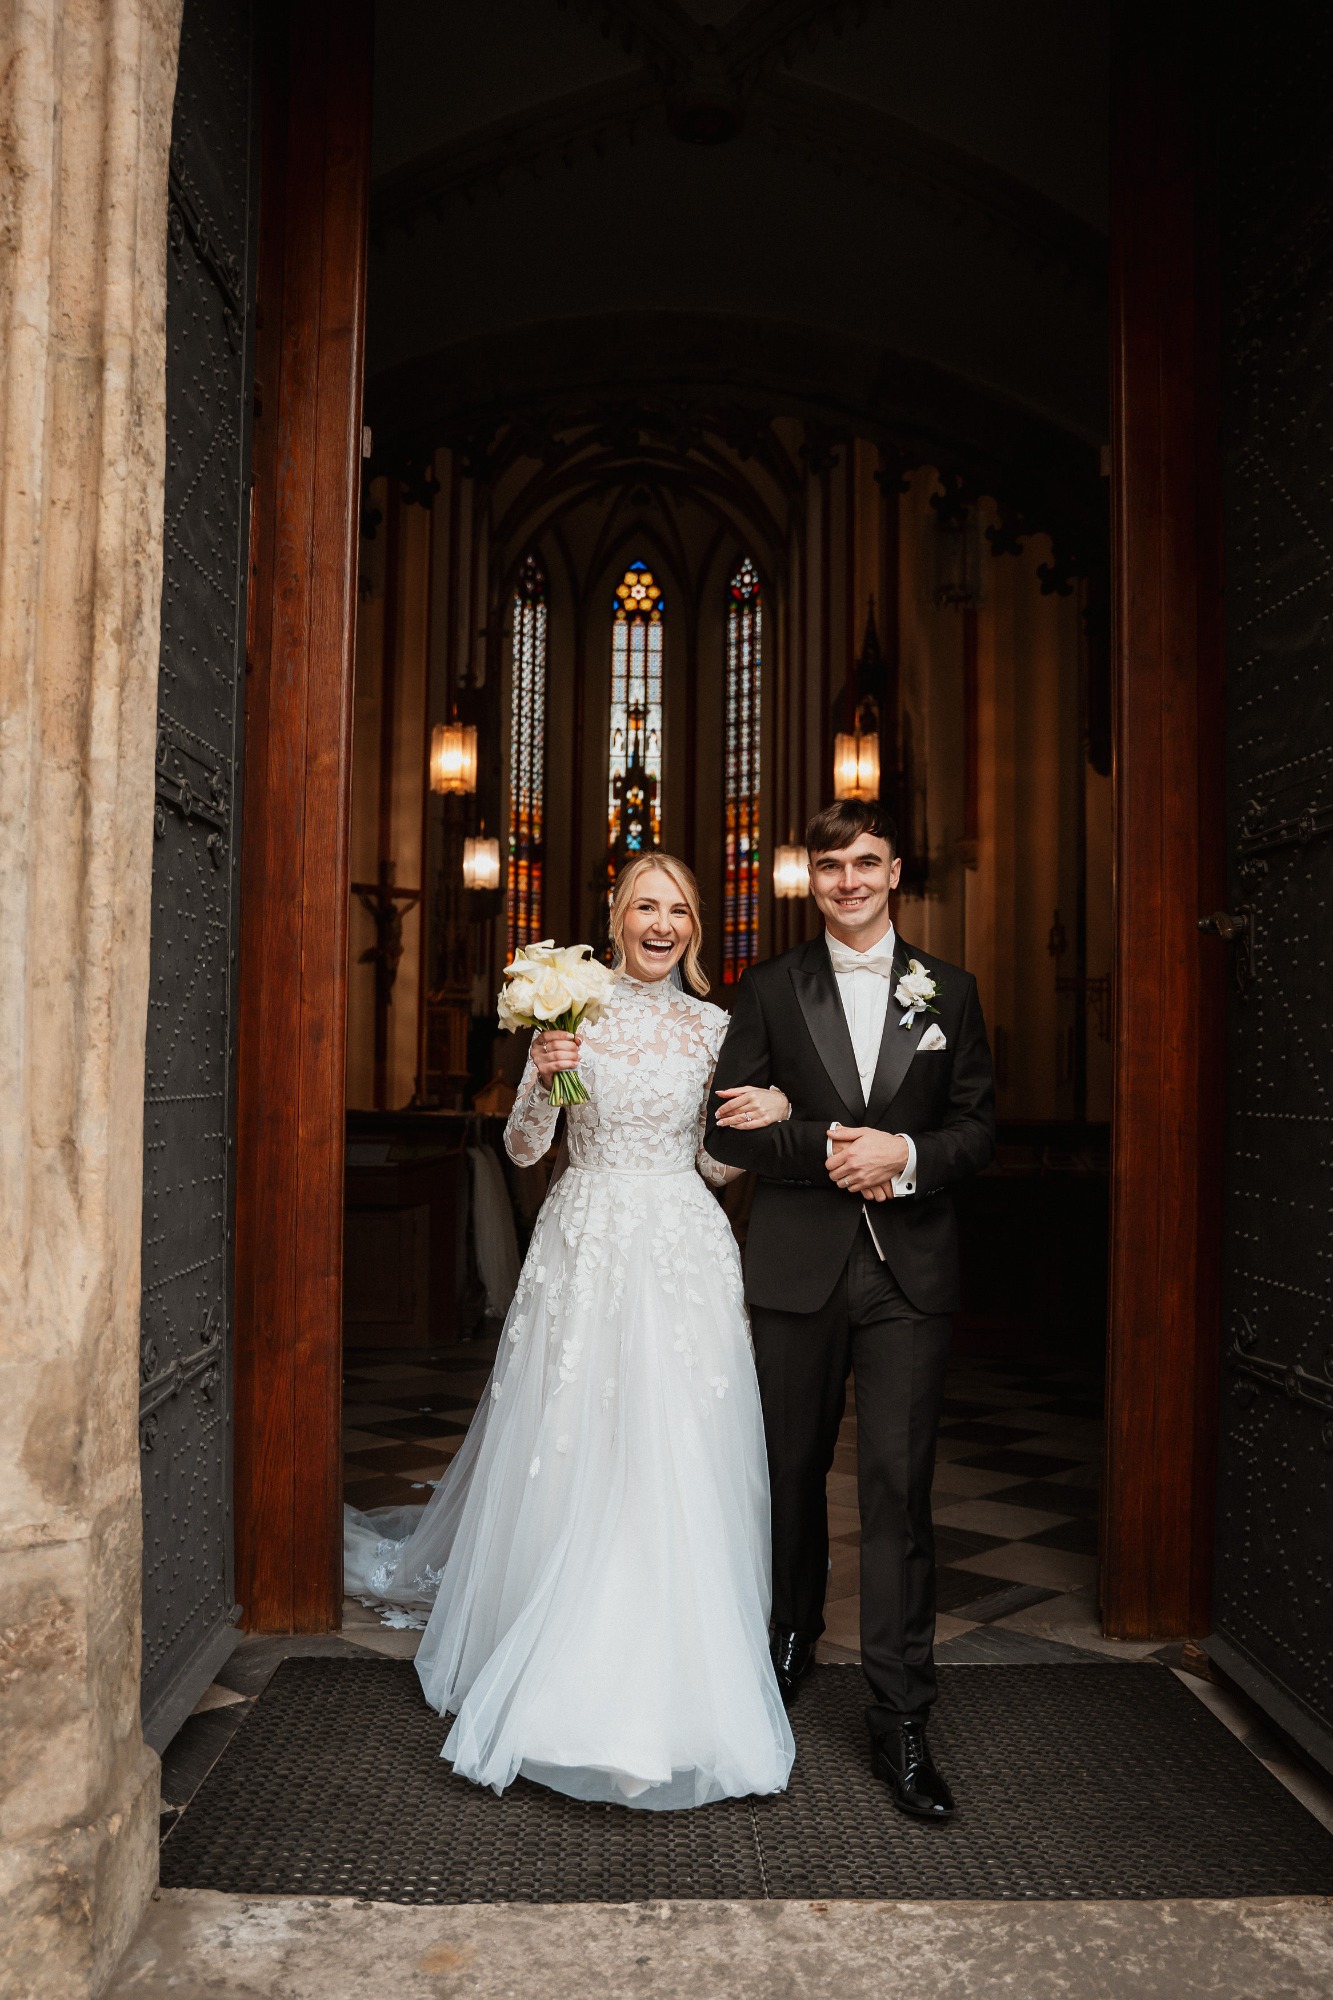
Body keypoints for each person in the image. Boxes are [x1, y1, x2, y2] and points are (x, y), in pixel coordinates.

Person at [344, 853, 796, 1810]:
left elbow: (719, 1166)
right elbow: (522, 1149)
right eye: (644, 905)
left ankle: (680, 1661)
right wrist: (544, 1080)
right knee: (577, 1438)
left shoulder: (716, 1026)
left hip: (679, 1242)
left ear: (696, 925)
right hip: (583, 1241)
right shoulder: (570, 1013)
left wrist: (774, 1111)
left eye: (678, 908)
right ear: (615, 914)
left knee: (677, 1444)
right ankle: (548, 1639)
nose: (661, 923)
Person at [705, 799, 996, 1821]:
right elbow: (731, 1134)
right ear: (810, 878)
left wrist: (905, 1156)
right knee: (788, 1473)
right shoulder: (769, 986)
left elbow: (975, 1129)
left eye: (865, 862)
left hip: (907, 1274)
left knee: (896, 1490)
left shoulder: (947, 990)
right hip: (796, 1269)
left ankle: (900, 1717)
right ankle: (786, 1644)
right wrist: (839, 1138)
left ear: (894, 869)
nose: (848, 880)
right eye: (830, 866)